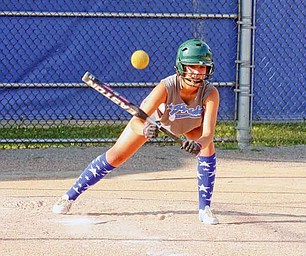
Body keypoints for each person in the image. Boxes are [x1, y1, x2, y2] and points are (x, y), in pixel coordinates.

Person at [52, 39, 220, 225]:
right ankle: (68, 197)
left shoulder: (210, 93)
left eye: (202, 67)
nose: (197, 72)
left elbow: (208, 133)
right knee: (115, 156)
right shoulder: (166, 87)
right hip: (156, 122)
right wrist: (145, 129)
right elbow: (136, 122)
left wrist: (198, 144)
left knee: (207, 149)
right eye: (192, 66)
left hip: (192, 126)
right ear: (181, 67)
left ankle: (205, 208)